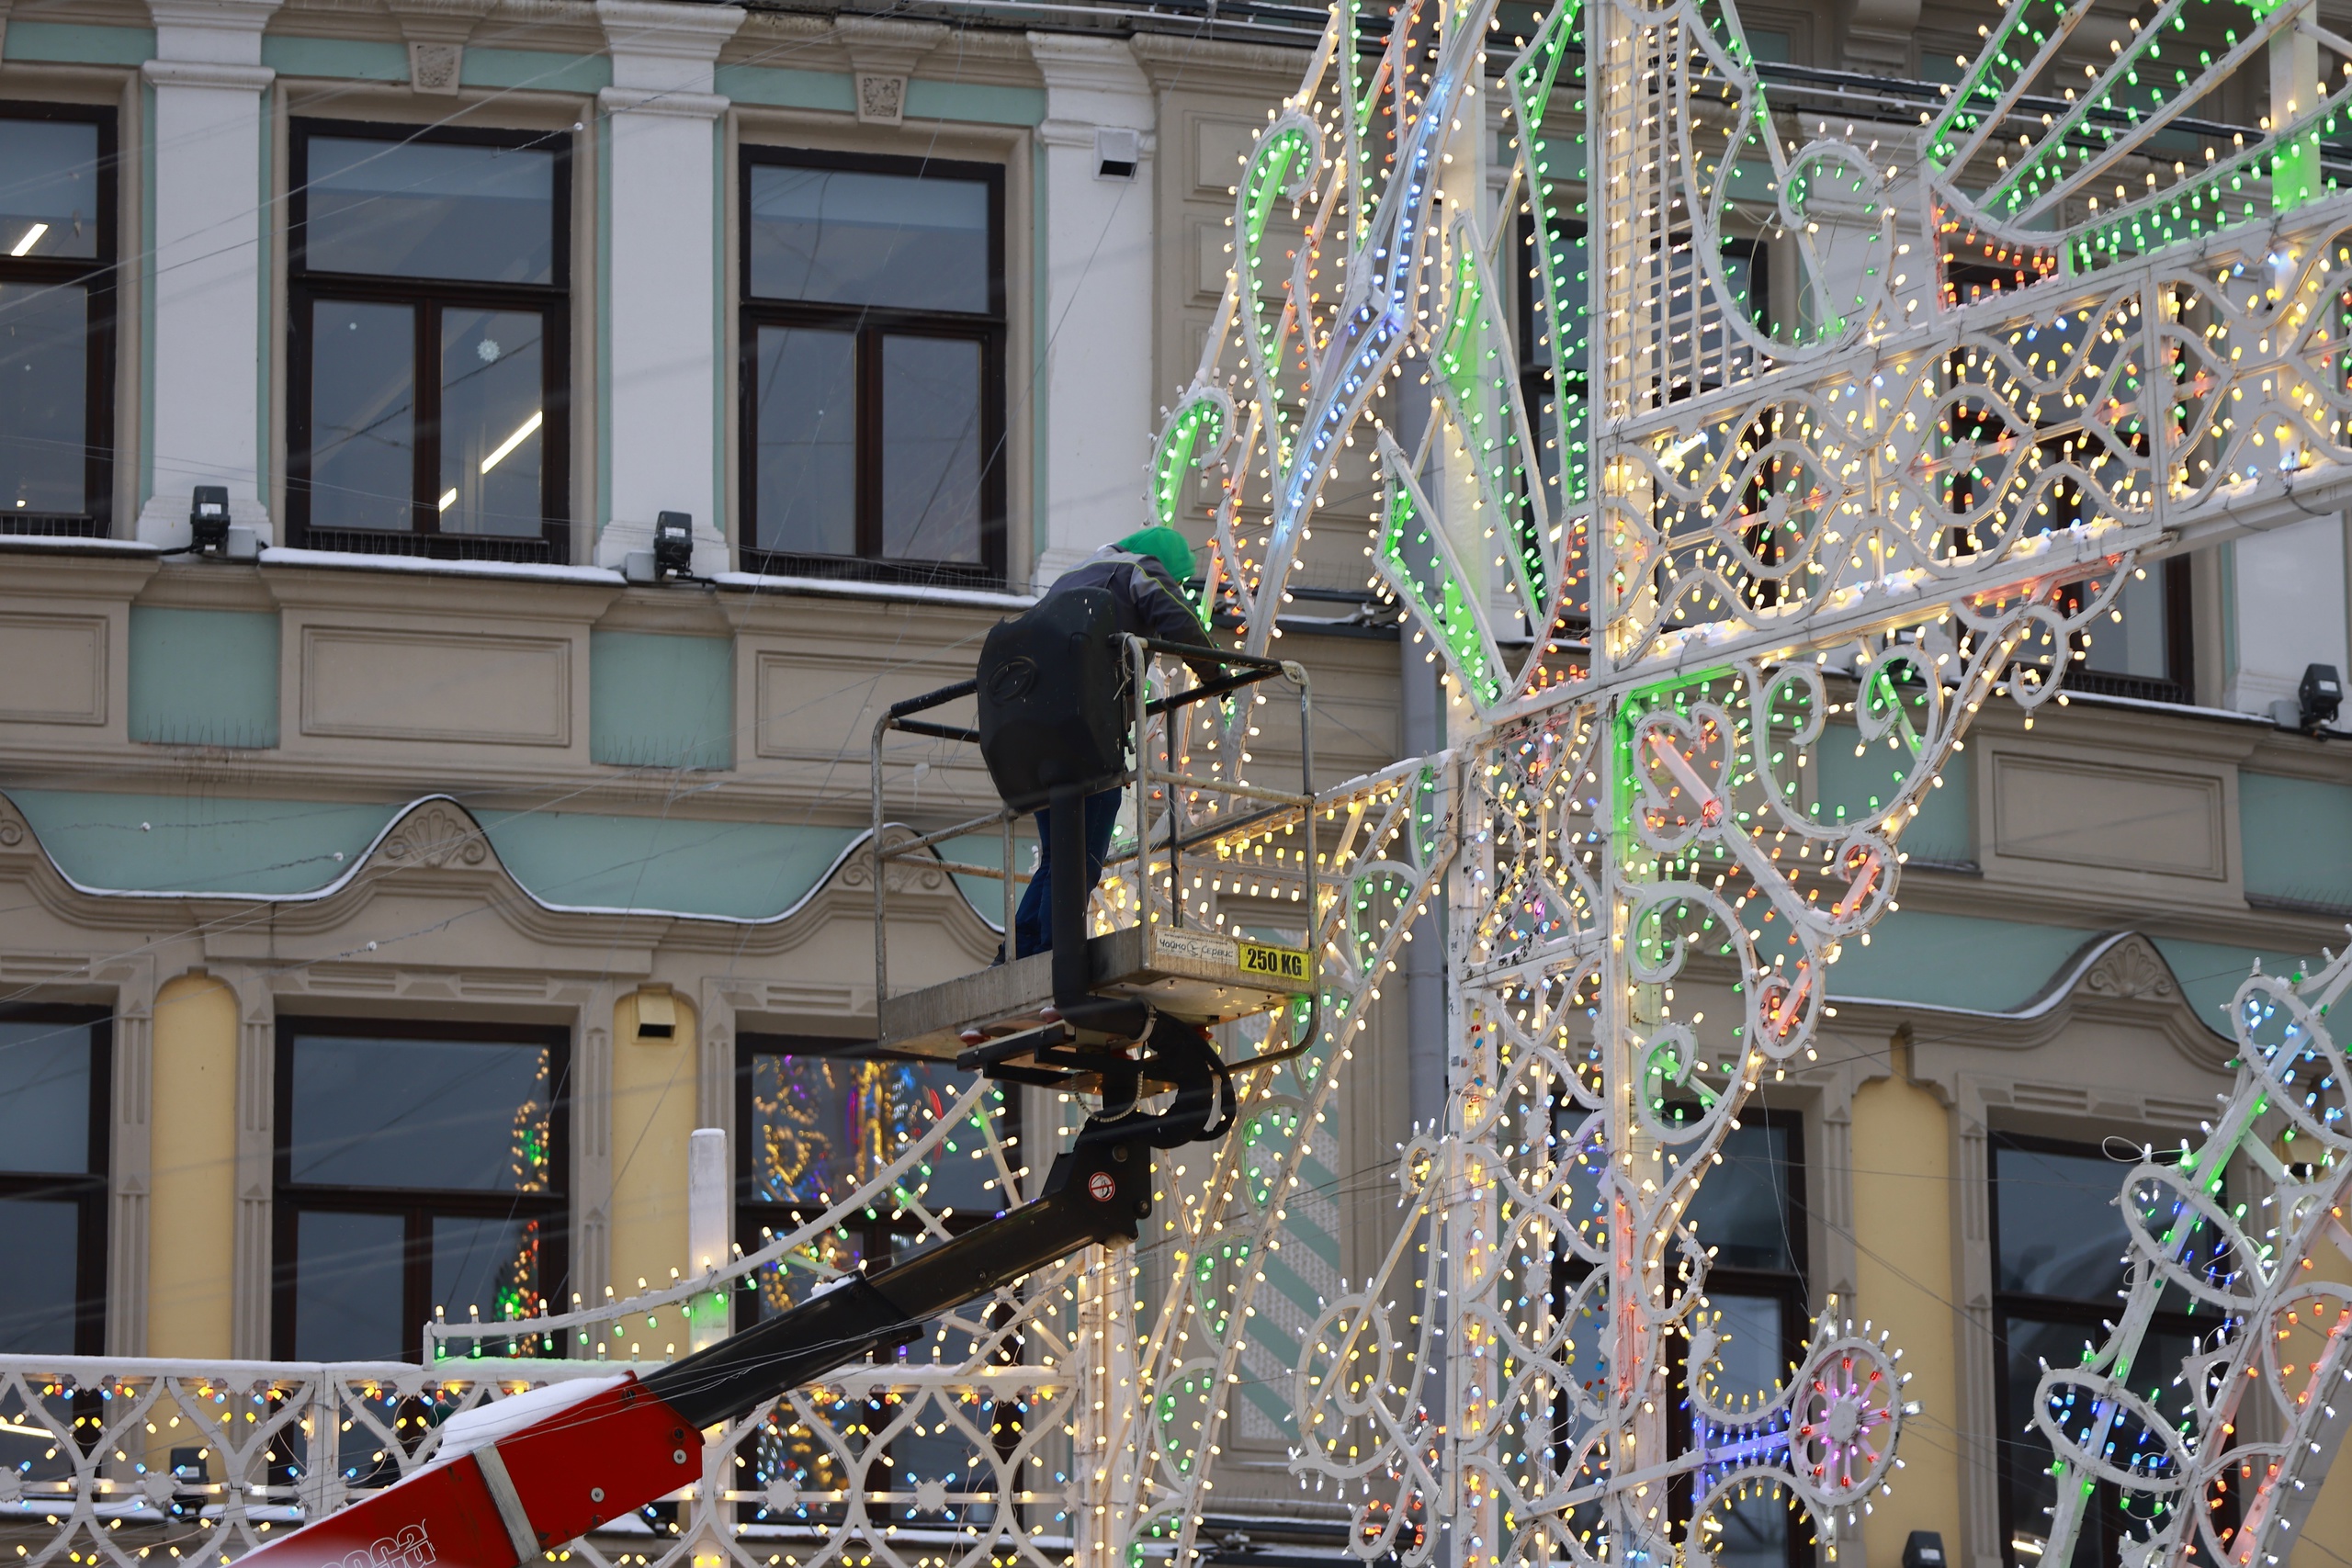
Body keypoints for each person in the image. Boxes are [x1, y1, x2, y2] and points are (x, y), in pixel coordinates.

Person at [1009, 525, 1218, 960]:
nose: (1173, 584)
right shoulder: (1138, 569)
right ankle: (1054, 959)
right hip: (1086, 733)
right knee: (1081, 852)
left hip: (1032, 733)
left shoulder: (1070, 579)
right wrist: (1216, 673)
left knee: (1055, 855)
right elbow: (1177, 617)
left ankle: (1015, 955)